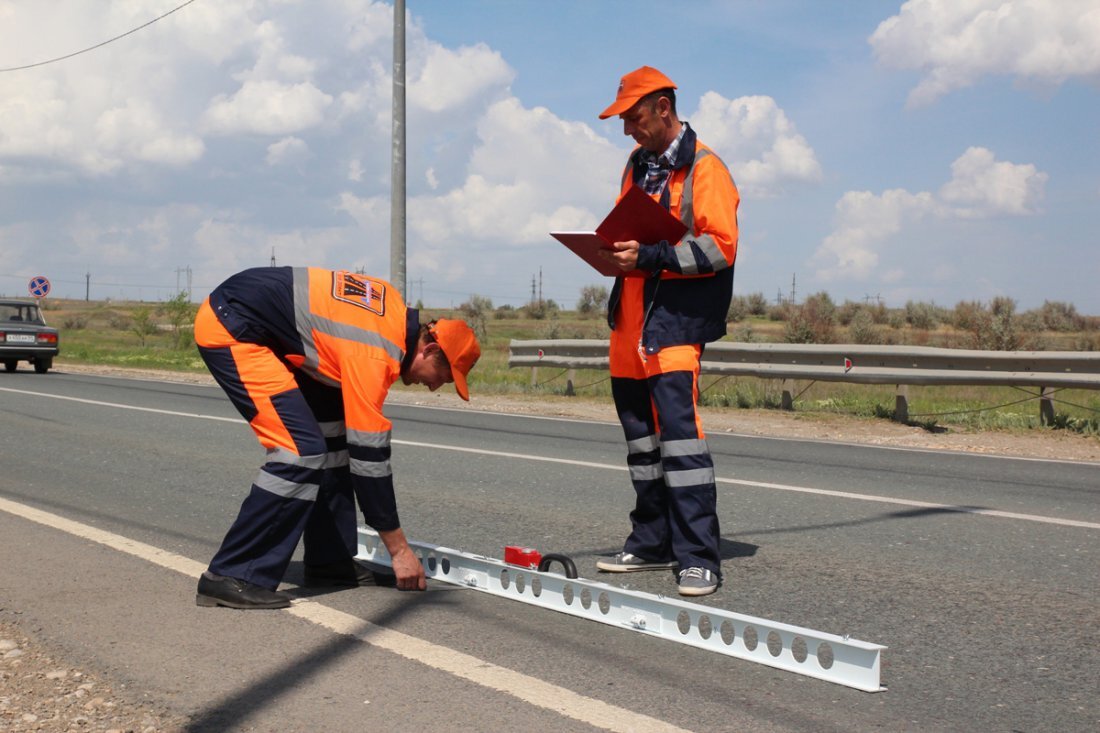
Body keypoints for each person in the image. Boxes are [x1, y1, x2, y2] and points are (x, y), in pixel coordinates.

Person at [192, 266, 480, 609]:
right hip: (234, 327)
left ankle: (330, 561)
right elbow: (369, 458)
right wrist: (399, 550)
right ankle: (232, 574)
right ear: (430, 351)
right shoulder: (375, 351)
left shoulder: (390, 319)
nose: (433, 387)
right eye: (441, 378)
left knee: (333, 442)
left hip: (271, 330)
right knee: (298, 452)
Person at [593, 66, 740, 597]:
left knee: (682, 448)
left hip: (673, 327)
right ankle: (652, 541)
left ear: (662, 107)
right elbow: (630, 229)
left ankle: (698, 556)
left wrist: (651, 255)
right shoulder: (636, 164)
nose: (628, 130)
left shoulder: (707, 169)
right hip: (628, 325)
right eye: (623, 121)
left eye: (633, 118)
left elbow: (721, 248)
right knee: (643, 447)